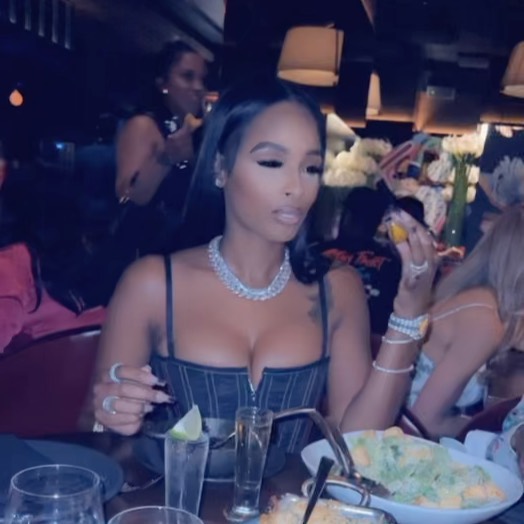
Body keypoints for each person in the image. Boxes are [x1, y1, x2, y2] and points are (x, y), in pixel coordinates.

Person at [91, 76, 436, 453]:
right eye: (272, 162)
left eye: (311, 168)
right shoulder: (152, 284)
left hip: (297, 494)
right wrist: (111, 414)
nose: (296, 187)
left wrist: (408, 317)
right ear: (220, 168)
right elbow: (94, 432)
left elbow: (357, 445)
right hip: (175, 493)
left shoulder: (337, 287)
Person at [408, 205, 524, 438]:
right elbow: (423, 422)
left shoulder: (479, 299)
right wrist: (496, 433)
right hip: (397, 439)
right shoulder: (484, 321)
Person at [114, 40, 207, 256]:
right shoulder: (144, 125)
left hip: (186, 252)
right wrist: (165, 159)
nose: (198, 87)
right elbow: (126, 197)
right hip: (146, 254)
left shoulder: (194, 131)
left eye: (202, 79)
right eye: (188, 77)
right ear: (162, 84)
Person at [321, 187, 401, 336]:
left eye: (363, 216)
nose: (354, 221)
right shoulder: (318, 252)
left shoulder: (390, 263)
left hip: (365, 339)